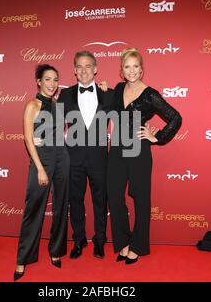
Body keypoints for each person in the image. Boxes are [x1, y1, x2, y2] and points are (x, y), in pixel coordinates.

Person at [107, 48, 182, 264]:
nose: (131, 71)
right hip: (117, 149)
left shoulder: (150, 94)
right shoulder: (119, 88)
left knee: (140, 199)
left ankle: (138, 245)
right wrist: (105, 89)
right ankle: (123, 242)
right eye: (127, 67)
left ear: (142, 70)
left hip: (139, 150)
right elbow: (112, 107)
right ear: (121, 70)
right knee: (114, 195)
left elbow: (175, 118)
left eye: (135, 66)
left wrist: (156, 137)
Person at [14, 64, 70, 281]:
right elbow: (28, 139)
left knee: (60, 206)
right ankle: (23, 258)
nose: (52, 84)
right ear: (39, 81)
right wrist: (39, 168)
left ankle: (56, 251)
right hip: (42, 160)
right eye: (47, 79)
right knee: (34, 209)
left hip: (62, 157)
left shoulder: (57, 104)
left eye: (55, 80)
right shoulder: (32, 106)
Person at [57, 51, 114, 259]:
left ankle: (100, 240)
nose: (84, 70)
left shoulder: (109, 94)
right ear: (74, 70)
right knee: (76, 201)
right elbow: (55, 125)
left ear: (95, 68)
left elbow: (128, 111)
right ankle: (78, 239)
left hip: (100, 159)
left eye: (88, 66)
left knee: (101, 201)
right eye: (79, 67)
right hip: (73, 159)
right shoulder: (65, 95)